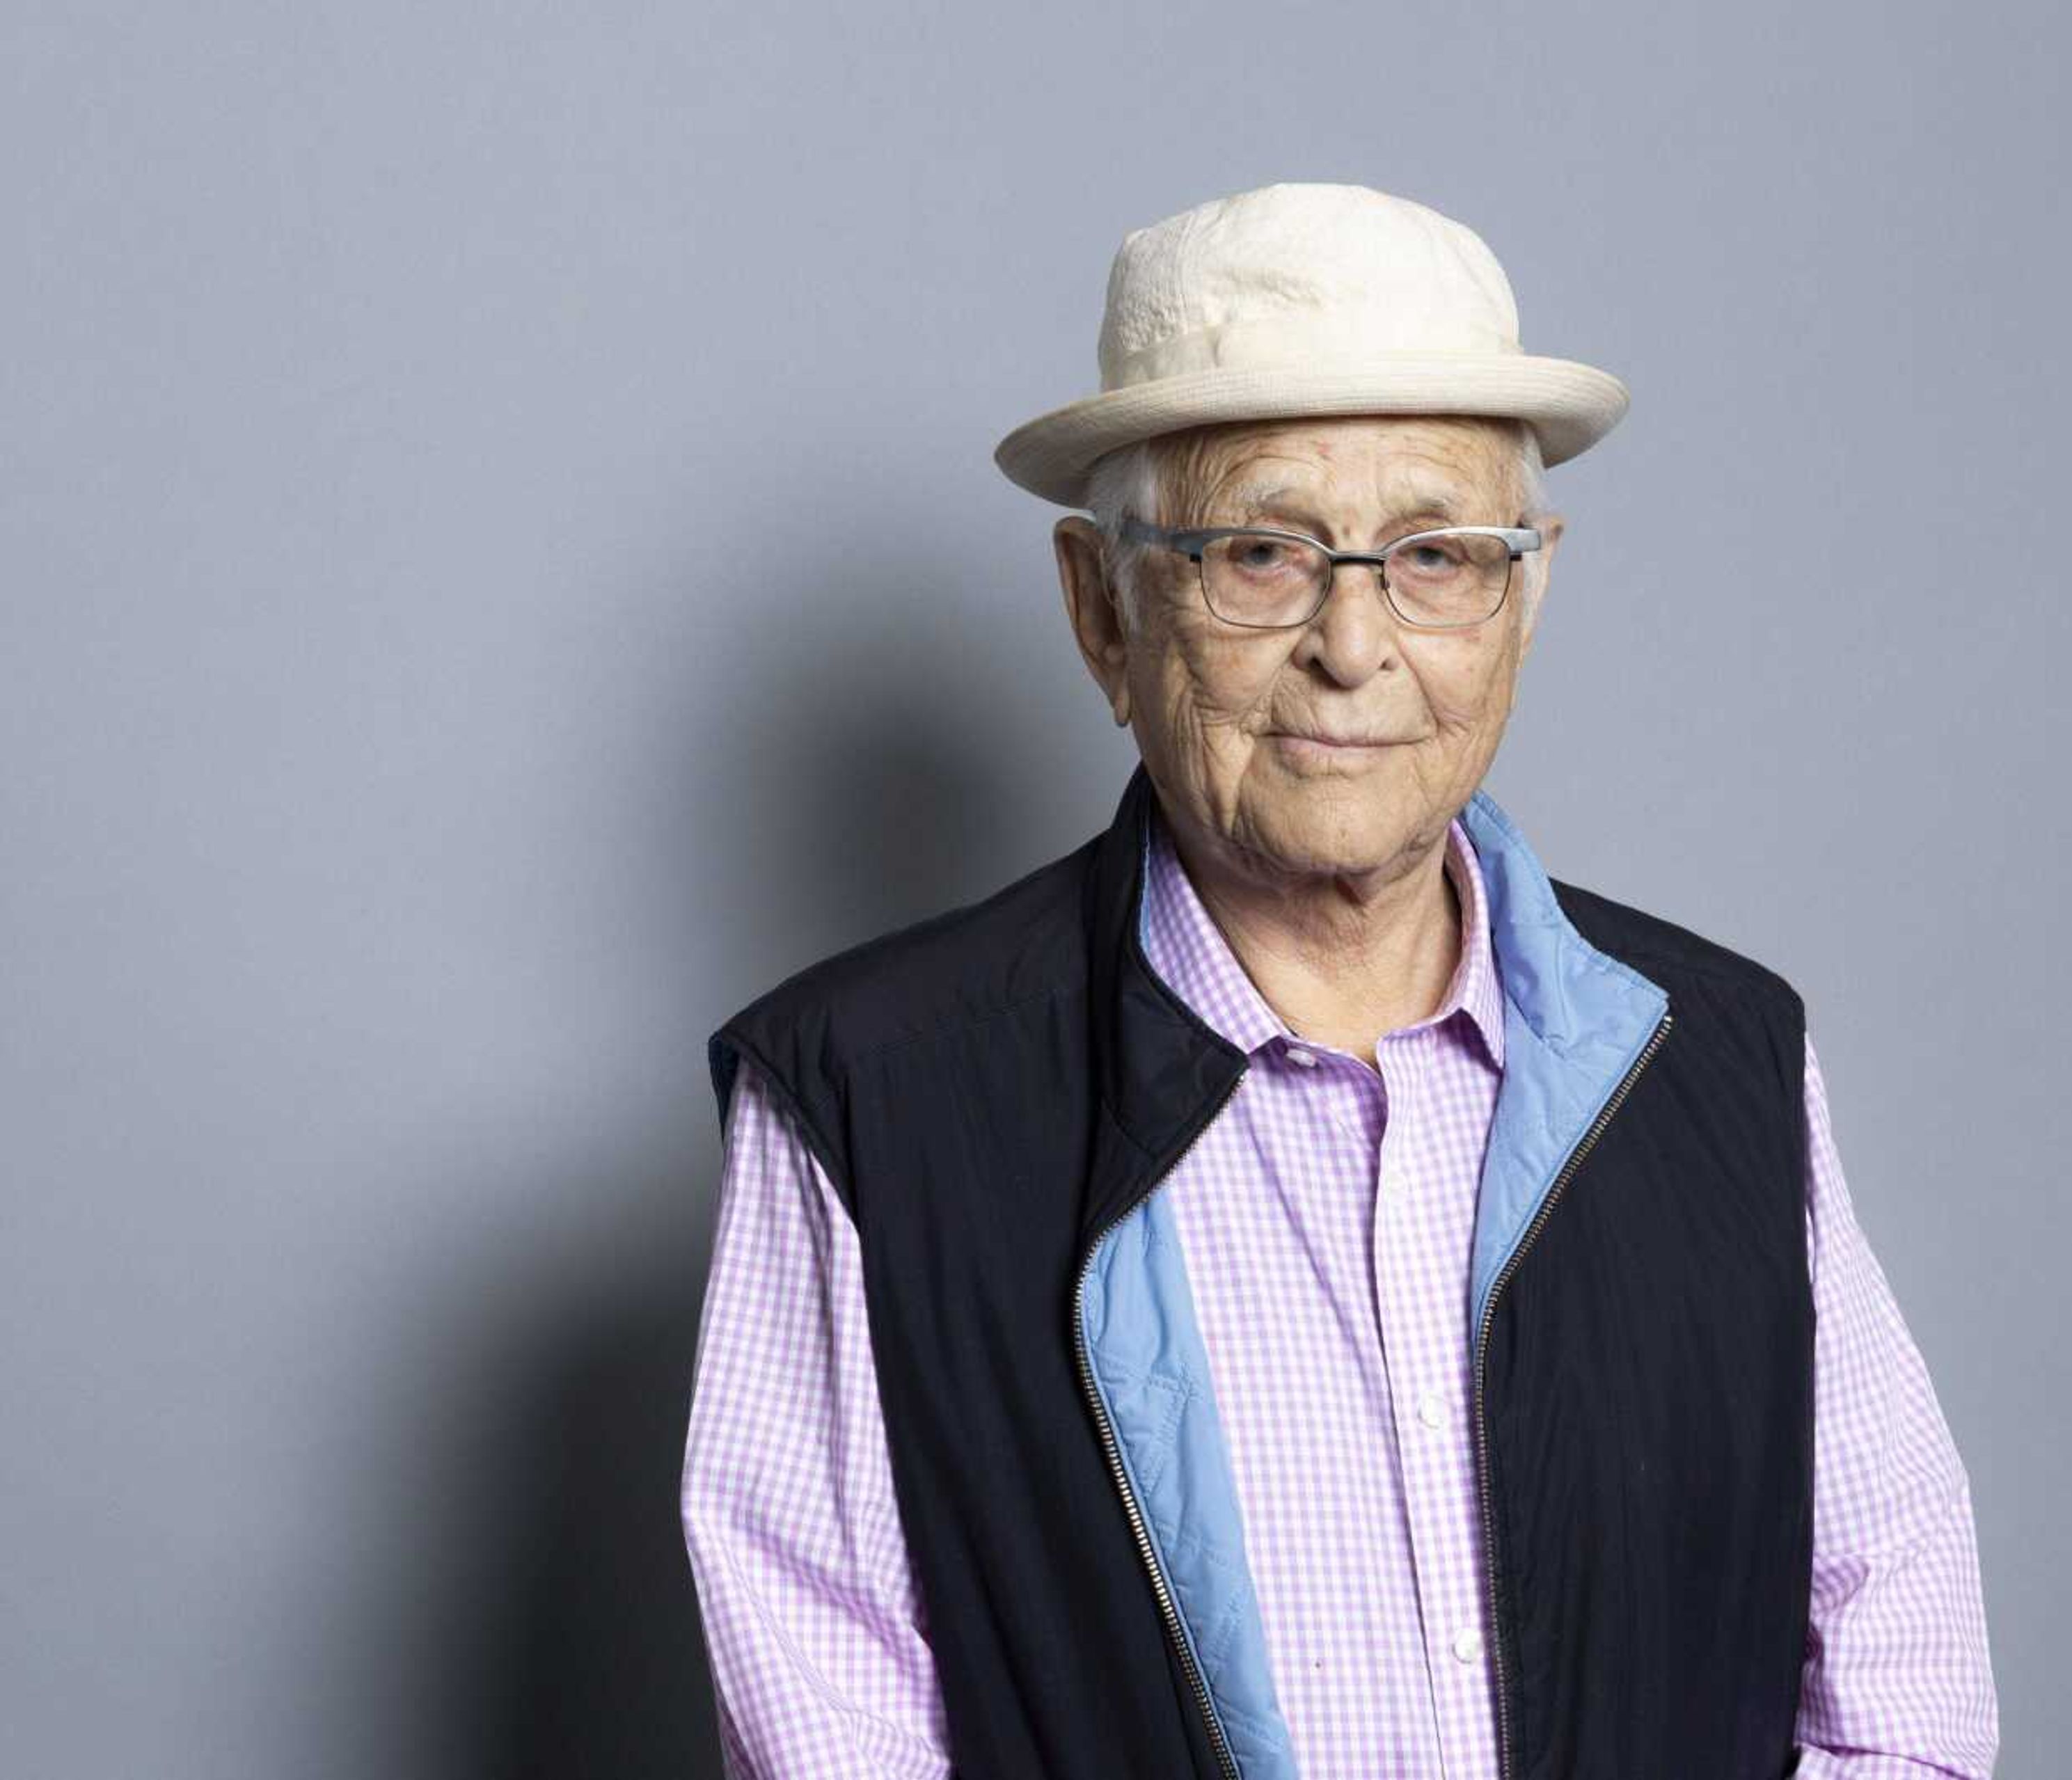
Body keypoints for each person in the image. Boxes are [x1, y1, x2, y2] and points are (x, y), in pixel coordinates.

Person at [680, 180, 1998, 1779]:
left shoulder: (1719, 1053)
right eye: (1260, 551)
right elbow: (835, 1735)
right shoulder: (865, 1097)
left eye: (1436, 553)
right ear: (1104, 608)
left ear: (1528, 594)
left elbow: (1898, 1669)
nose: (1356, 646)